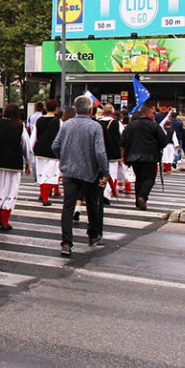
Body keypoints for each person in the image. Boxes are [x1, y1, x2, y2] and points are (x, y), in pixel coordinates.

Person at [52, 95, 110, 257]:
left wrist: (63, 159)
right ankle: (92, 234)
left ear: (75, 108)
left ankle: (66, 242)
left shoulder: (66, 125)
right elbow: (100, 152)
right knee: (92, 204)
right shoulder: (95, 127)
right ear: (91, 109)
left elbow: (55, 145)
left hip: (69, 171)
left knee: (68, 207)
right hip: (89, 172)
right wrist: (105, 171)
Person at [0, 103, 32, 231]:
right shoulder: (19, 126)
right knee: (11, 190)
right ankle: (5, 220)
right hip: (14, 163)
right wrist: (28, 162)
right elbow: (26, 146)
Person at [120, 104, 166, 210]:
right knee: (149, 178)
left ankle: (137, 200)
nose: (153, 116)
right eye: (152, 114)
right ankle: (143, 196)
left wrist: (123, 156)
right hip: (150, 156)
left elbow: (123, 141)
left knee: (139, 178)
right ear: (148, 113)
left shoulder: (131, 126)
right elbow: (163, 141)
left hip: (133, 156)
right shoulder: (154, 126)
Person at [29, 99, 61, 206]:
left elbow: (33, 137)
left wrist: (30, 150)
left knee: (41, 173)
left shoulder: (39, 120)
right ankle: (46, 198)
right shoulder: (59, 122)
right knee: (50, 175)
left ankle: (42, 194)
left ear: (46, 108)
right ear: (56, 108)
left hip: (39, 150)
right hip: (52, 151)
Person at [97, 104, 123, 202]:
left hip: (100, 150)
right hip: (113, 152)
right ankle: (107, 193)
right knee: (112, 173)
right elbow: (121, 137)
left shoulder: (97, 122)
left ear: (103, 112)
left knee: (100, 172)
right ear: (112, 113)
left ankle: (100, 191)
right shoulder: (117, 123)